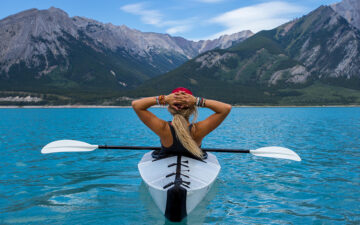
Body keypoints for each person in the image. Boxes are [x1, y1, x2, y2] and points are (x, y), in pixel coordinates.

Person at [132, 87, 231, 159]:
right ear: (193, 108)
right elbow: (225, 108)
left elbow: (136, 105)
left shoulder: (163, 128)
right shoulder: (198, 130)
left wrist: (164, 99)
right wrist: (197, 100)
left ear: (170, 107)